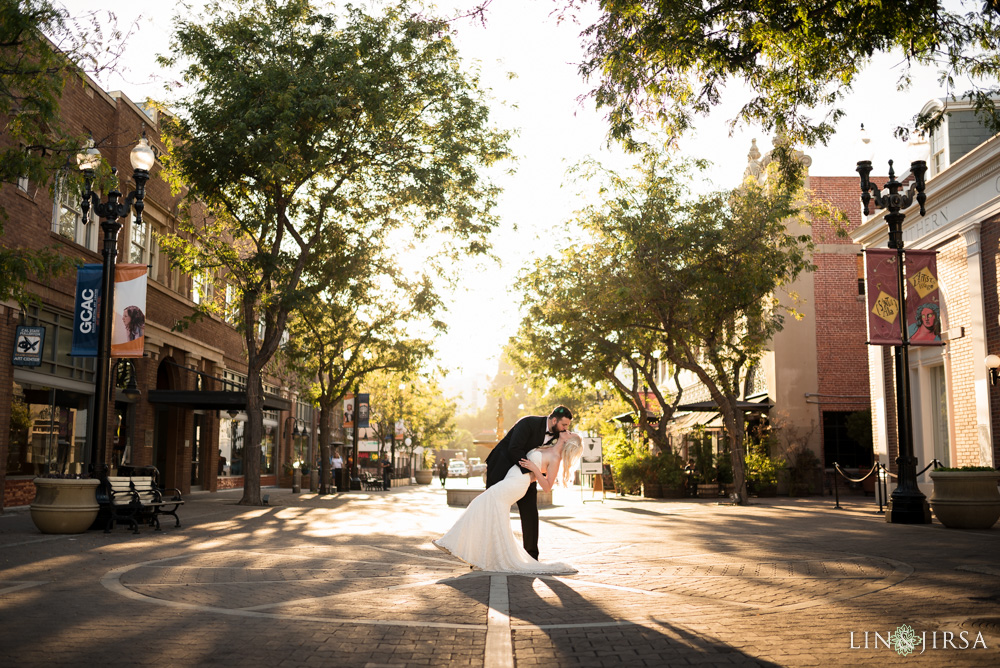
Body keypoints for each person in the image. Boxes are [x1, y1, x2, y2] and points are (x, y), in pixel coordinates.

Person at [433, 431, 578, 574]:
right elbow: (532, 473)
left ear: (568, 441)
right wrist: (531, 474)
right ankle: (483, 559)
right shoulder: (548, 447)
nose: (567, 430)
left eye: (570, 433)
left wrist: (534, 469)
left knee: (478, 504)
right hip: (513, 479)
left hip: (516, 484)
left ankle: (450, 542)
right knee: (493, 516)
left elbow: (547, 487)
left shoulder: (556, 458)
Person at [483, 406, 572, 560]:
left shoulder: (557, 435)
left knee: (530, 511)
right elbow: (514, 449)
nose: (565, 429)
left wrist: (533, 475)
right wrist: (531, 471)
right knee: (492, 509)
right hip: (501, 467)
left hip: (526, 474)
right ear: (554, 420)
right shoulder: (528, 423)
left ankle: (532, 556)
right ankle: (486, 554)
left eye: (567, 426)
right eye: (564, 425)